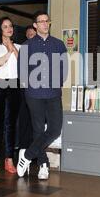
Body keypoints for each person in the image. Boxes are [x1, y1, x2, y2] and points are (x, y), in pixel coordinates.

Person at [17, 11, 67, 180]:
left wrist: (55, 83)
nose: (45, 24)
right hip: (34, 94)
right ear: (35, 25)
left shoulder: (59, 44)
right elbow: (22, 73)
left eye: (47, 21)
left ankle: (27, 155)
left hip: (53, 93)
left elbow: (63, 70)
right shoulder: (27, 46)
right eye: (41, 21)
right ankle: (43, 165)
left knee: (55, 129)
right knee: (38, 130)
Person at [0, 17, 20, 176]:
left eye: (10, 26)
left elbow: (23, 64)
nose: (9, 29)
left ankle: (9, 159)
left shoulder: (18, 46)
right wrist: (8, 50)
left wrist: (12, 46)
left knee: (10, 124)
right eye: (5, 26)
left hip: (13, 84)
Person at [16, 25, 36, 150]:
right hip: (25, 90)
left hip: (41, 91)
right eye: (28, 35)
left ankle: (35, 148)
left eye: (32, 35)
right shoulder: (23, 49)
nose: (30, 37)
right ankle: (23, 147)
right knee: (24, 119)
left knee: (37, 121)